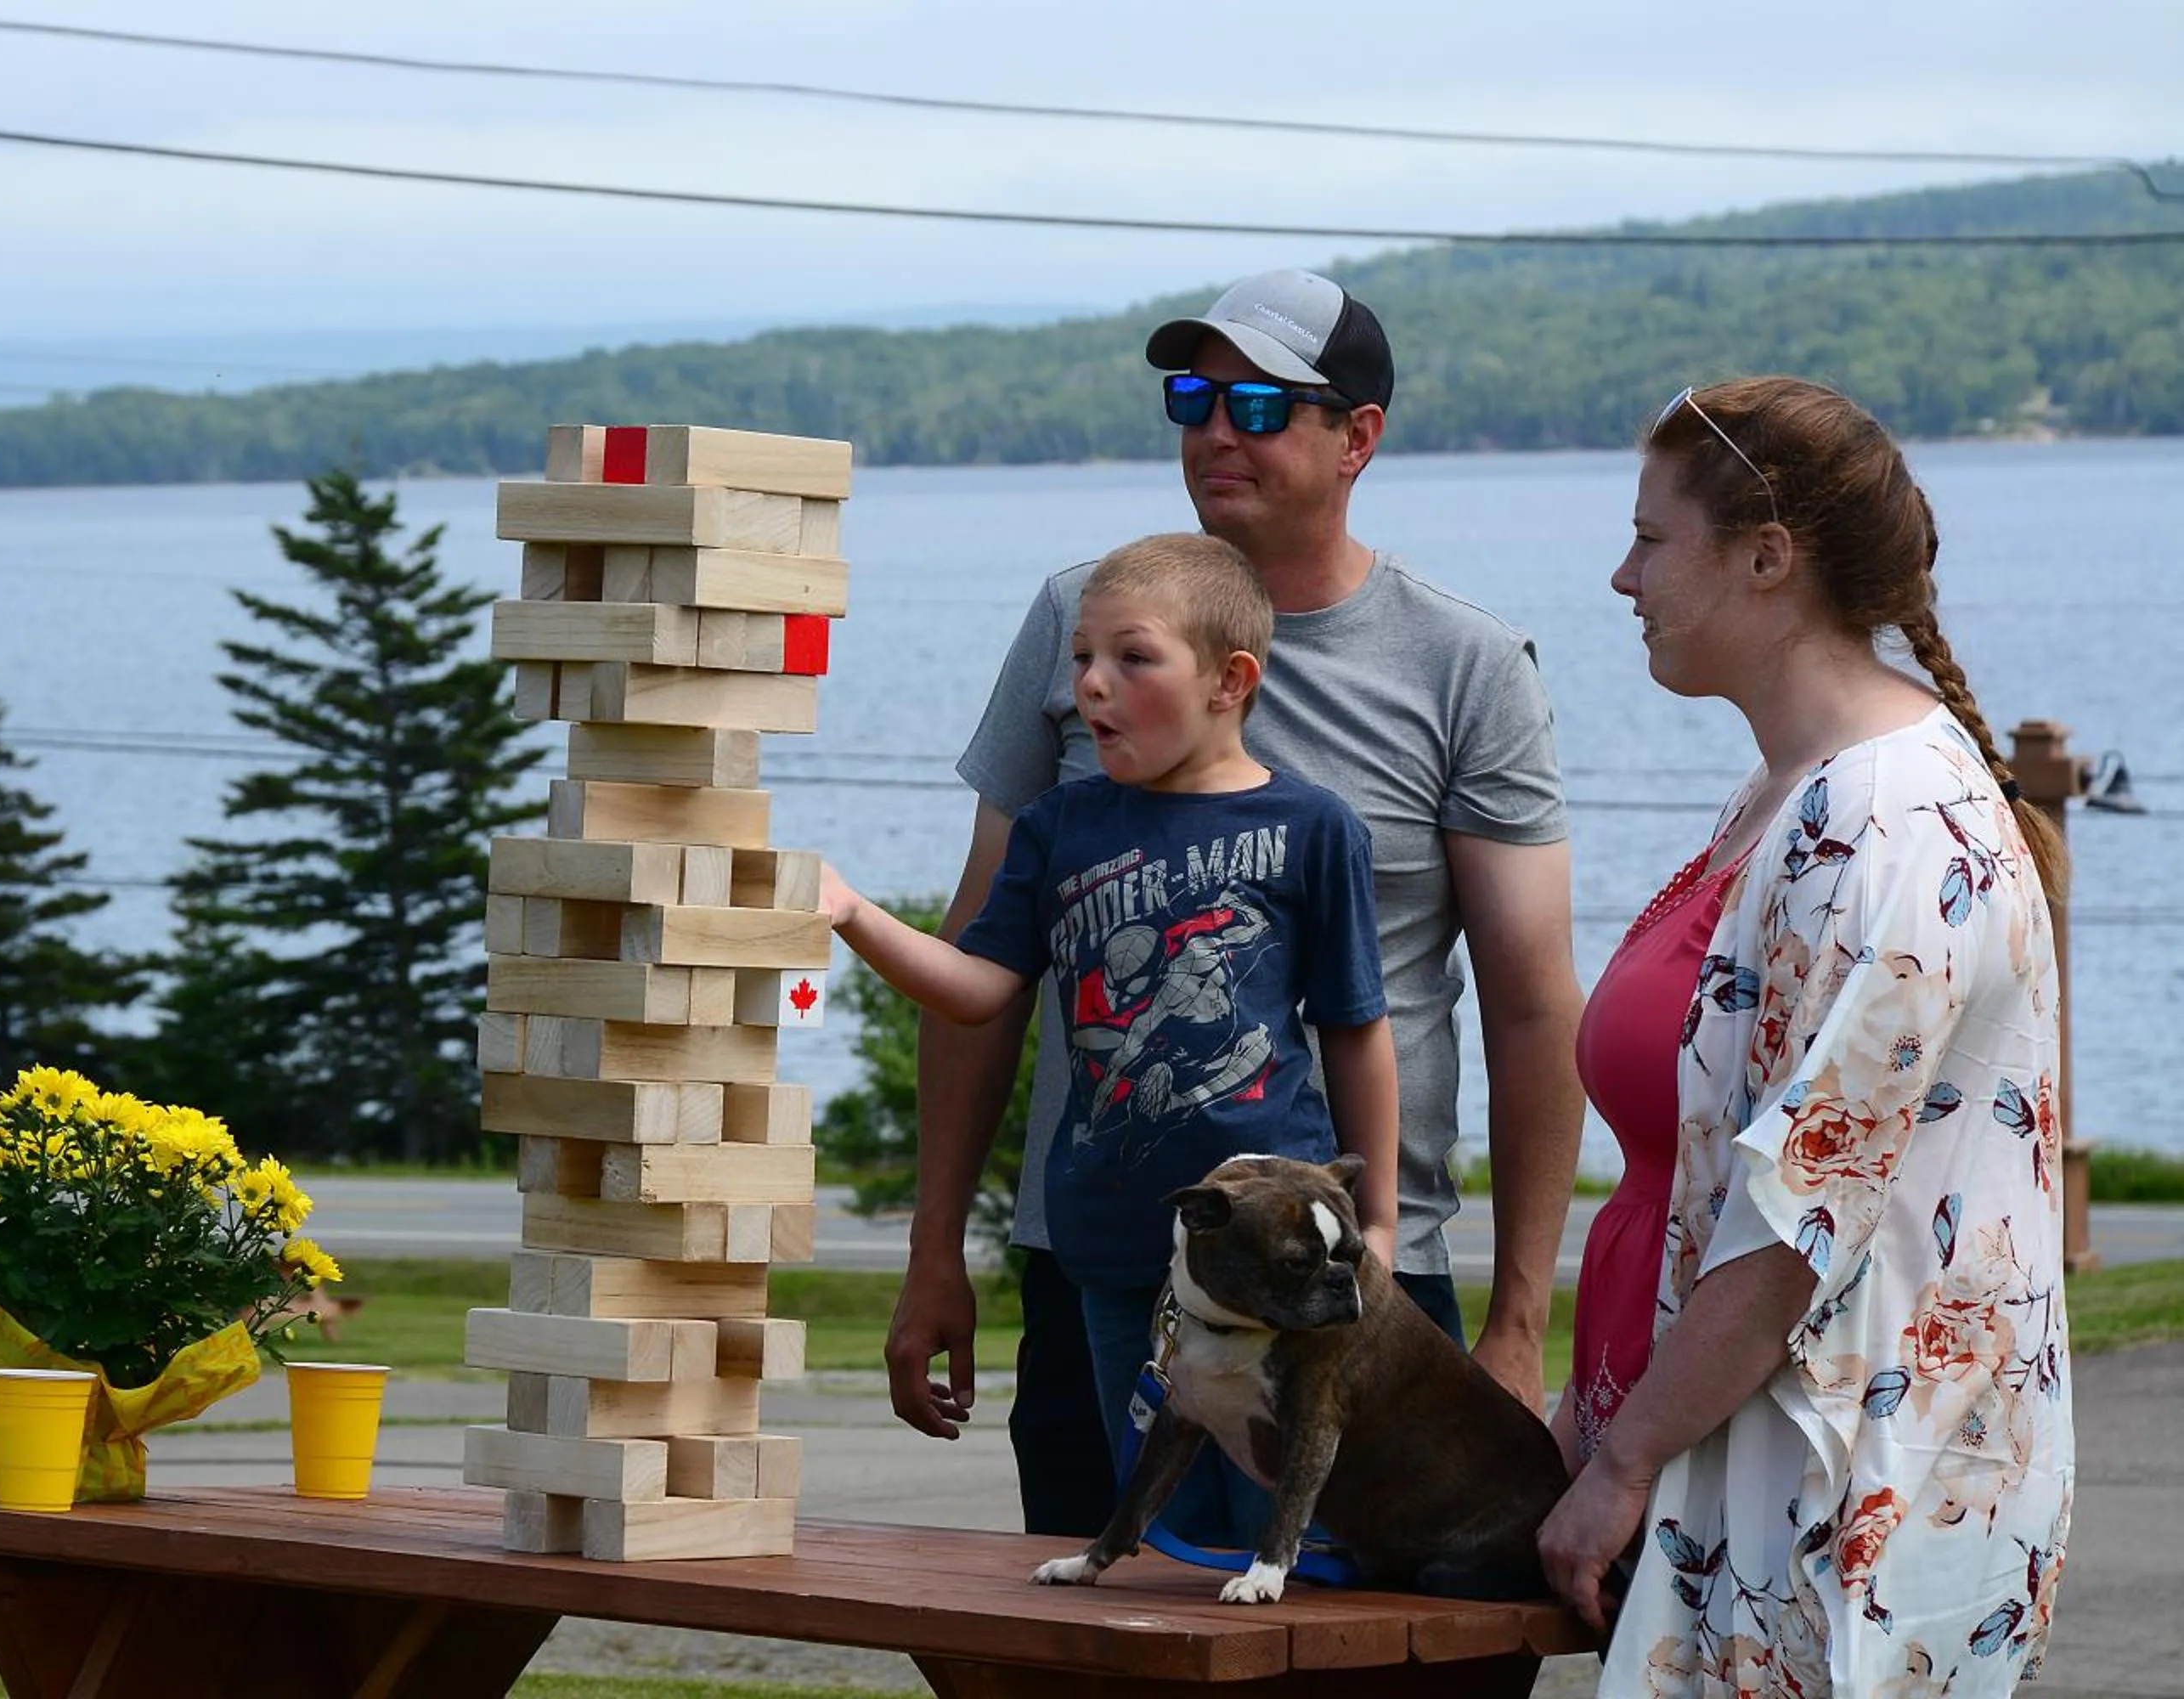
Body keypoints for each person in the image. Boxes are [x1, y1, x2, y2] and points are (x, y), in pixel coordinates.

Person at [883, 269, 1586, 1538]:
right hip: (1105, 1264)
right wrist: (938, 1244)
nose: (1216, 429)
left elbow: (1534, 1011)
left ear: (1356, 438)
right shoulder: (1079, 620)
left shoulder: (1465, 667)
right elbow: (983, 961)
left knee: (1349, 1655)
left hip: (1356, 1275)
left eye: (1261, 402)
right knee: (1106, 1637)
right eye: (1194, 396)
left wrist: (1519, 1321)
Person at [1538, 377, 2074, 1694]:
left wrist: (1620, 1460)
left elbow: (1795, 1226)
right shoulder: (1790, 793)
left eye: (1652, 539)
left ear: (1767, 557)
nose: (1622, 576)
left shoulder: (1885, 827)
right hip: (1731, 1475)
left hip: (1831, 1498)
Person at [824, 530, 1399, 1547]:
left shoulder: (1316, 828)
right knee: (1153, 1522)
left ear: (1231, 680)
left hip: (1279, 1250)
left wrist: (1379, 1225)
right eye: (1083, 657)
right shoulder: (1057, 827)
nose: (1093, 684)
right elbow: (975, 989)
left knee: (1281, 1535)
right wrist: (855, 914)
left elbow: (1356, 1029)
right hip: (1112, 1247)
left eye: (1133, 658)